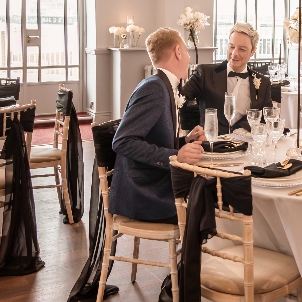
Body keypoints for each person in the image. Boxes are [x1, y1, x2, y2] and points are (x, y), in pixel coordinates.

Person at [109, 28, 205, 223]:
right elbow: (123, 141)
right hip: (146, 194)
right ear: (178, 52)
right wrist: (175, 155)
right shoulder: (154, 88)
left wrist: (184, 141)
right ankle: (198, 253)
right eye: (186, 51)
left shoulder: (161, 85)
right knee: (208, 200)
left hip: (151, 185)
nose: (188, 57)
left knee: (205, 192)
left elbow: (152, 138)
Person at [181, 22, 272, 134]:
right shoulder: (204, 73)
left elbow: (266, 119)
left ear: (253, 51)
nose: (234, 53)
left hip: (246, 146)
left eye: (242, 49)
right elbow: (179, 99)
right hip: (212, 144)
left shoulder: (263, 83)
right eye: (231, 46)